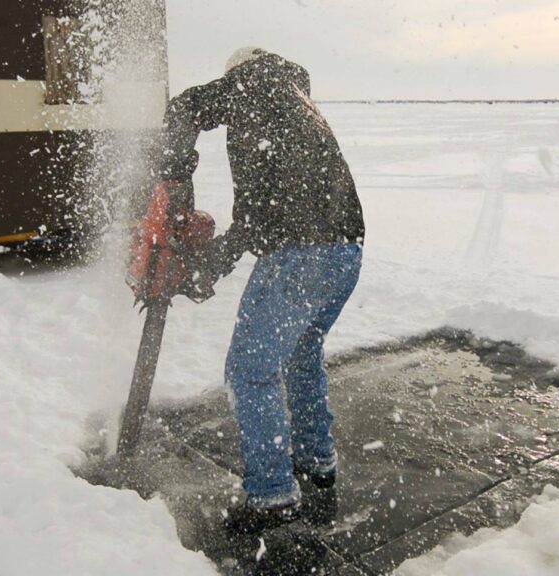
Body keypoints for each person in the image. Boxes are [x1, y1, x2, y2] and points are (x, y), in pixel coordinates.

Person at [158, 47, 365, 533]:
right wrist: (215, 265)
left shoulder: (255, 82)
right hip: (346, 252)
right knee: (301, 354)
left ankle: (272, 495)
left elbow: (185, 106)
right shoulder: (294, 104)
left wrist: (175, 174)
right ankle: (317, 460)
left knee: (250, 371)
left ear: (237, 72)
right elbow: (256, 214)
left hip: (300, 256)